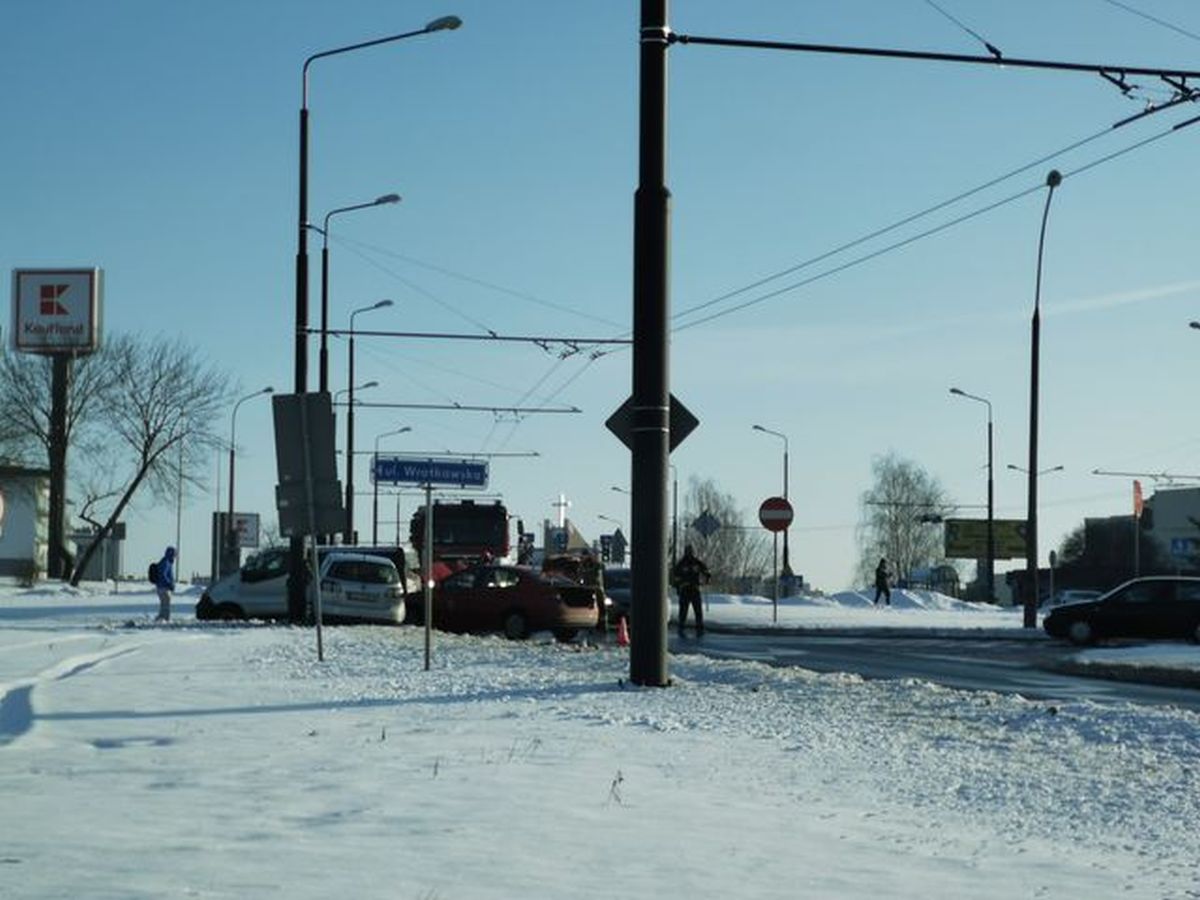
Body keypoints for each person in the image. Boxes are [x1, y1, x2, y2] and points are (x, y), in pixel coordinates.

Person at [672, 544, 711, 637]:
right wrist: (678, 587)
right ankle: (681, 628)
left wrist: (706, 578)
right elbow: (674, 577)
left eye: (690, 551)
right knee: (683, 612)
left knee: (698, 611)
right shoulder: (681, 564)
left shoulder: (696, 562)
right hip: (685, 590)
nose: (689, 553)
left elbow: (706, 571)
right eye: (688, 551)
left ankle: (699, 629)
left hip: (694, 589)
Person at [155, 546, 177, 622]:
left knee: (164, 605)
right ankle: (165, 620)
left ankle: (161, 619)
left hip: (161, 587)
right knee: (166, 605)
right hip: (163, 587)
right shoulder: (166, 562)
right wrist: (169, 584)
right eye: (174, 554)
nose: (175, 557)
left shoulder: (166, 561)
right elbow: (163, 575)